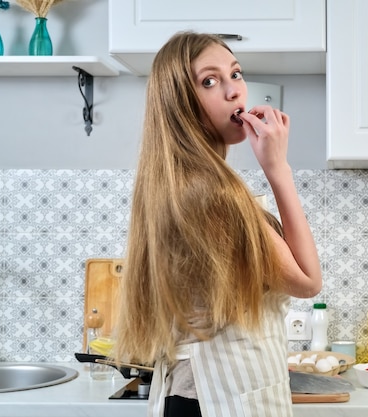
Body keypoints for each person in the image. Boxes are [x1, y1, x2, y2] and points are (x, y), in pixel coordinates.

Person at [112, 31, 322, 417]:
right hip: (215, 399)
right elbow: (307, 281)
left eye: (236, 74)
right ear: (180, 104)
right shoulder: (210, 193)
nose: (234, 92)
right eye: (209, 81)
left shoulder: (183, 184)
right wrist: (278, 169)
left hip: (202, 395)